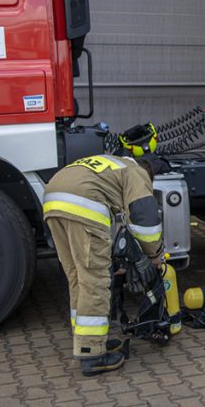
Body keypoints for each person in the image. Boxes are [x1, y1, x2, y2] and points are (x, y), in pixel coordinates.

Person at [43, 151, 163, 376]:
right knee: (95, 280)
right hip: (83, 203)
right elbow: (144, 218)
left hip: (52, 200)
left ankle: (86, 340)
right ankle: (92, 355)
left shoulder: (113, 164)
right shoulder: (137, 173)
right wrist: (154, 254)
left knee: (77, 277)